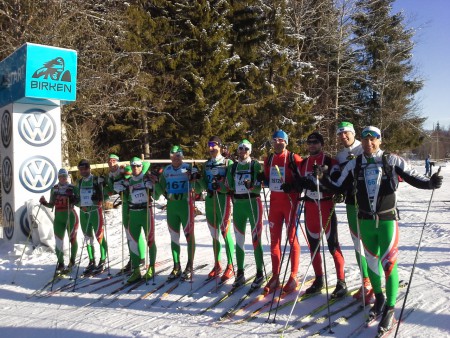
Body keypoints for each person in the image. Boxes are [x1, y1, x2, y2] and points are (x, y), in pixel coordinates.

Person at [319, 126, 443, 334]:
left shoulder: (391, 160)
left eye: (373, 139)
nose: (369, 143)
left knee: (389, 265)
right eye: (365, 140)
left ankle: (390, 308)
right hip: (365, 222)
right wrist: (323, 178)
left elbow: (413, 177)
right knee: (372, 264)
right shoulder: (355, 163)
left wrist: (431, 183)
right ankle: (379, 298)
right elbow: (339, 186)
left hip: (387, 220)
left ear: (380, 140)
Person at [293, 132, 346, 298]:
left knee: (333, 246)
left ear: (321, 144)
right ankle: (318, 280)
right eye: (309, 142)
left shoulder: (330, 162)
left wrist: (322, 182)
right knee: (314, 247)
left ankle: (341, 282)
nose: (312, 145)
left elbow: (337, 186)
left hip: (326, 207)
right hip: (310, 209)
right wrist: (294, 185)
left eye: (315, 142)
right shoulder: (303, 163)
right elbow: (298, 184)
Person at [335, 122, 373, 303]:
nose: (344, 137)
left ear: (353, 133)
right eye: (340, 134)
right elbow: (340, 178)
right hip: (351, 201)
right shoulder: (340, 155)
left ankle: (377, 280)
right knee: (357, 243)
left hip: (367, 202)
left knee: (371, 243)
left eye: (346, 133)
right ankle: (366, 281)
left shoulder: (364, 146)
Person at [261, 130, 303, 294]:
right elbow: (267, 178)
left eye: (281, 140)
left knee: (292, 238)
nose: (278, 143)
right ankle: (276, 275)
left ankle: (293, 276)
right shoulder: (269, 159)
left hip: (290, 203)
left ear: (286, 142)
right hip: (275, 204)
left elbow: (302, 180)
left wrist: (292, 186)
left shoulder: (294, 158)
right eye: (275, 140)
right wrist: (260, 179)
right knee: (274, 240)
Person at [194, 136, 235, 282]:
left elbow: (231, 185)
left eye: (213, 145)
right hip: (210, 199)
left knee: (225, 232)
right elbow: (202, 187)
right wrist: (196, 179)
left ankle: (230, 265)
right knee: (214, 234)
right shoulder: (206, 165)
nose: (211, 148)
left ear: (220, 146)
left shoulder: (227, 163)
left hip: (223, 199)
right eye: (209, 145)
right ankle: (217, 264)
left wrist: (222, 186)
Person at [225, 139, 265, 289]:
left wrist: (252, 185)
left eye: (246, 149)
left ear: (250, 151)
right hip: (238, 205)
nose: (242, 151)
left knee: (256, 239)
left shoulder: (254, 165)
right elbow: (229, 186)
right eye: (240, 149)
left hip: (253, 203)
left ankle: (259, 273)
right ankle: (240, 272)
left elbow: (258, 188)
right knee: (239, 240)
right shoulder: (233, 166)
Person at [154, 146, 196, 280]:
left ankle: (190, 265)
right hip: (172, 206)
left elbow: (198, 186)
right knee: (174, 237)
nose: (176, 157)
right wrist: (153, 183)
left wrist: (194, 177)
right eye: (173, 155)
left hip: (185, 205)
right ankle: (176, 266)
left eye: (178, 155)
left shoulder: (188, 167)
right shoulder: (167, 170)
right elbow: (158, 191)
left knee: (189, 235)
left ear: (182, 156)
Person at [105, 154, 146, 273]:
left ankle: (141, 258)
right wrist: (102, 187)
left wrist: (126, 172)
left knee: (135, 231)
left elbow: (144, 166)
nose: (112, 163)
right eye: (109, 161)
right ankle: (133, 258)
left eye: (114, 161)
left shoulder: (124, 169)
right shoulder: (110, 176)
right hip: (124, 203)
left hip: (134, 202)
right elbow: (111, 190)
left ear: (117, 162)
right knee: (129, 233)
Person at [119, 157, 157, 283]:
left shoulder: (146, 178)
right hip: (133, 213)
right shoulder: (129, 181)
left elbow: (148, 163)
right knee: (133, 242)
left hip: (145, 212)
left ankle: (151, 268)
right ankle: (136, 271)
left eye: (138, 166)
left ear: (141, 166)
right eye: (133, 166)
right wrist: (121, 188)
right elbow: (124, 196)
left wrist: (151, 185)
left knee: (150, 240)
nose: (135, 168)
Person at [39, 168, 79, 275]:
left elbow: (79, 201)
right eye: (61, 177)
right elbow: (51, 204)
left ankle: (72, 260)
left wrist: (74, 199)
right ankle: (61, 263)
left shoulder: (72, 188)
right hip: (58, 218)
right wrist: (44, 203)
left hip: (70, 216)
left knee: (72, 239)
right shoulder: (54, 189)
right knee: (58, 242)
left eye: (64, 177)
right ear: (58, 178)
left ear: (67, 177)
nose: (63, 179)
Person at [74, 159, 108, 275]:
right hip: (84, 212)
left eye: (85, 169)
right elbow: (76, 198)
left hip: (95, 211)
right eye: (81, 169)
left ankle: (102, 260)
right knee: (88, 238)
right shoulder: (79, 182)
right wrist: (79, 205)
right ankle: (91, 261)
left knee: (99, 236)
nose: (83, 171)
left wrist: (101, 190)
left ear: (89, 168)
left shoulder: (95, 180)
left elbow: (106, 195)